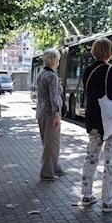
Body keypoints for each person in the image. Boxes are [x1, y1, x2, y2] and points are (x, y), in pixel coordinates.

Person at [76, 37, 112, 212]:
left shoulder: (88, 70)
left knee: (91, 158)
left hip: (93, 121)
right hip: (111, 122)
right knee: (111, 161)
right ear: (110, 52)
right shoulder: (110, 70)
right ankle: (108, 201)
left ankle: (86, 195)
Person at [36, 48, 67, 181]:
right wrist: (57, 115)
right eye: (58, 59)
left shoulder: (42, 73)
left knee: (48, 142)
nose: (59, 62)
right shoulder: (51, 76)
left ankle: (55, 167)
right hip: (50, 113)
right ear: (54, 61)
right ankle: (47, 173)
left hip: (41, 112)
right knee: (52, 143)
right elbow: (54, 97)